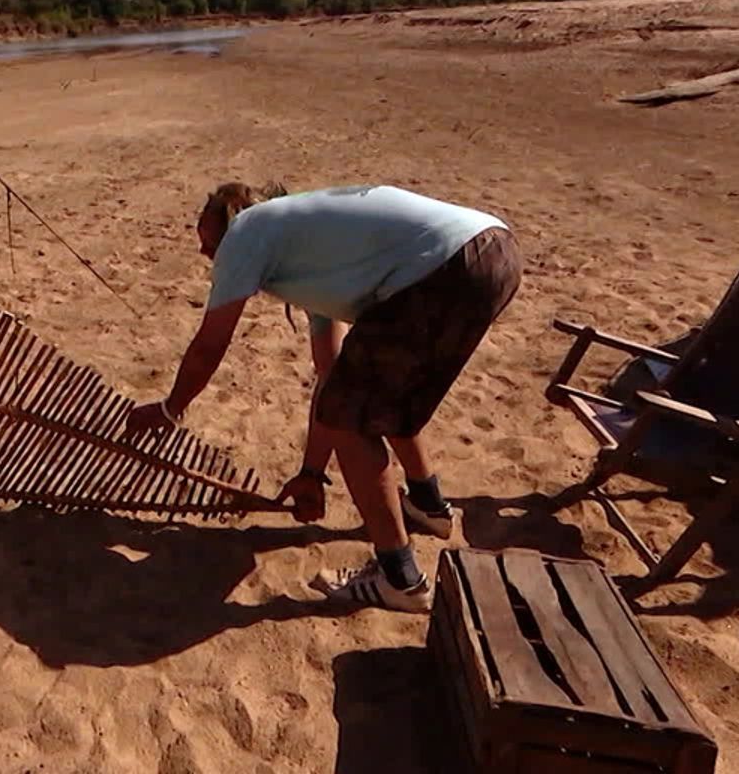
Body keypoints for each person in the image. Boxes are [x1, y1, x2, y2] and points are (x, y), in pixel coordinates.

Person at [127, 181, 521, 612]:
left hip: (445, 266)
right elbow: (332, 374)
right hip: (495, 254)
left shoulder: (246, 232)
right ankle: (429, 506)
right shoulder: (308, 248)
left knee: (353, 419)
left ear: (230, 225)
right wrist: (311, 472)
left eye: (208, 243)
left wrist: (170, 408)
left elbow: (209, 345)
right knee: (377, 397)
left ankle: (401, 579)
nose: (206, 254)